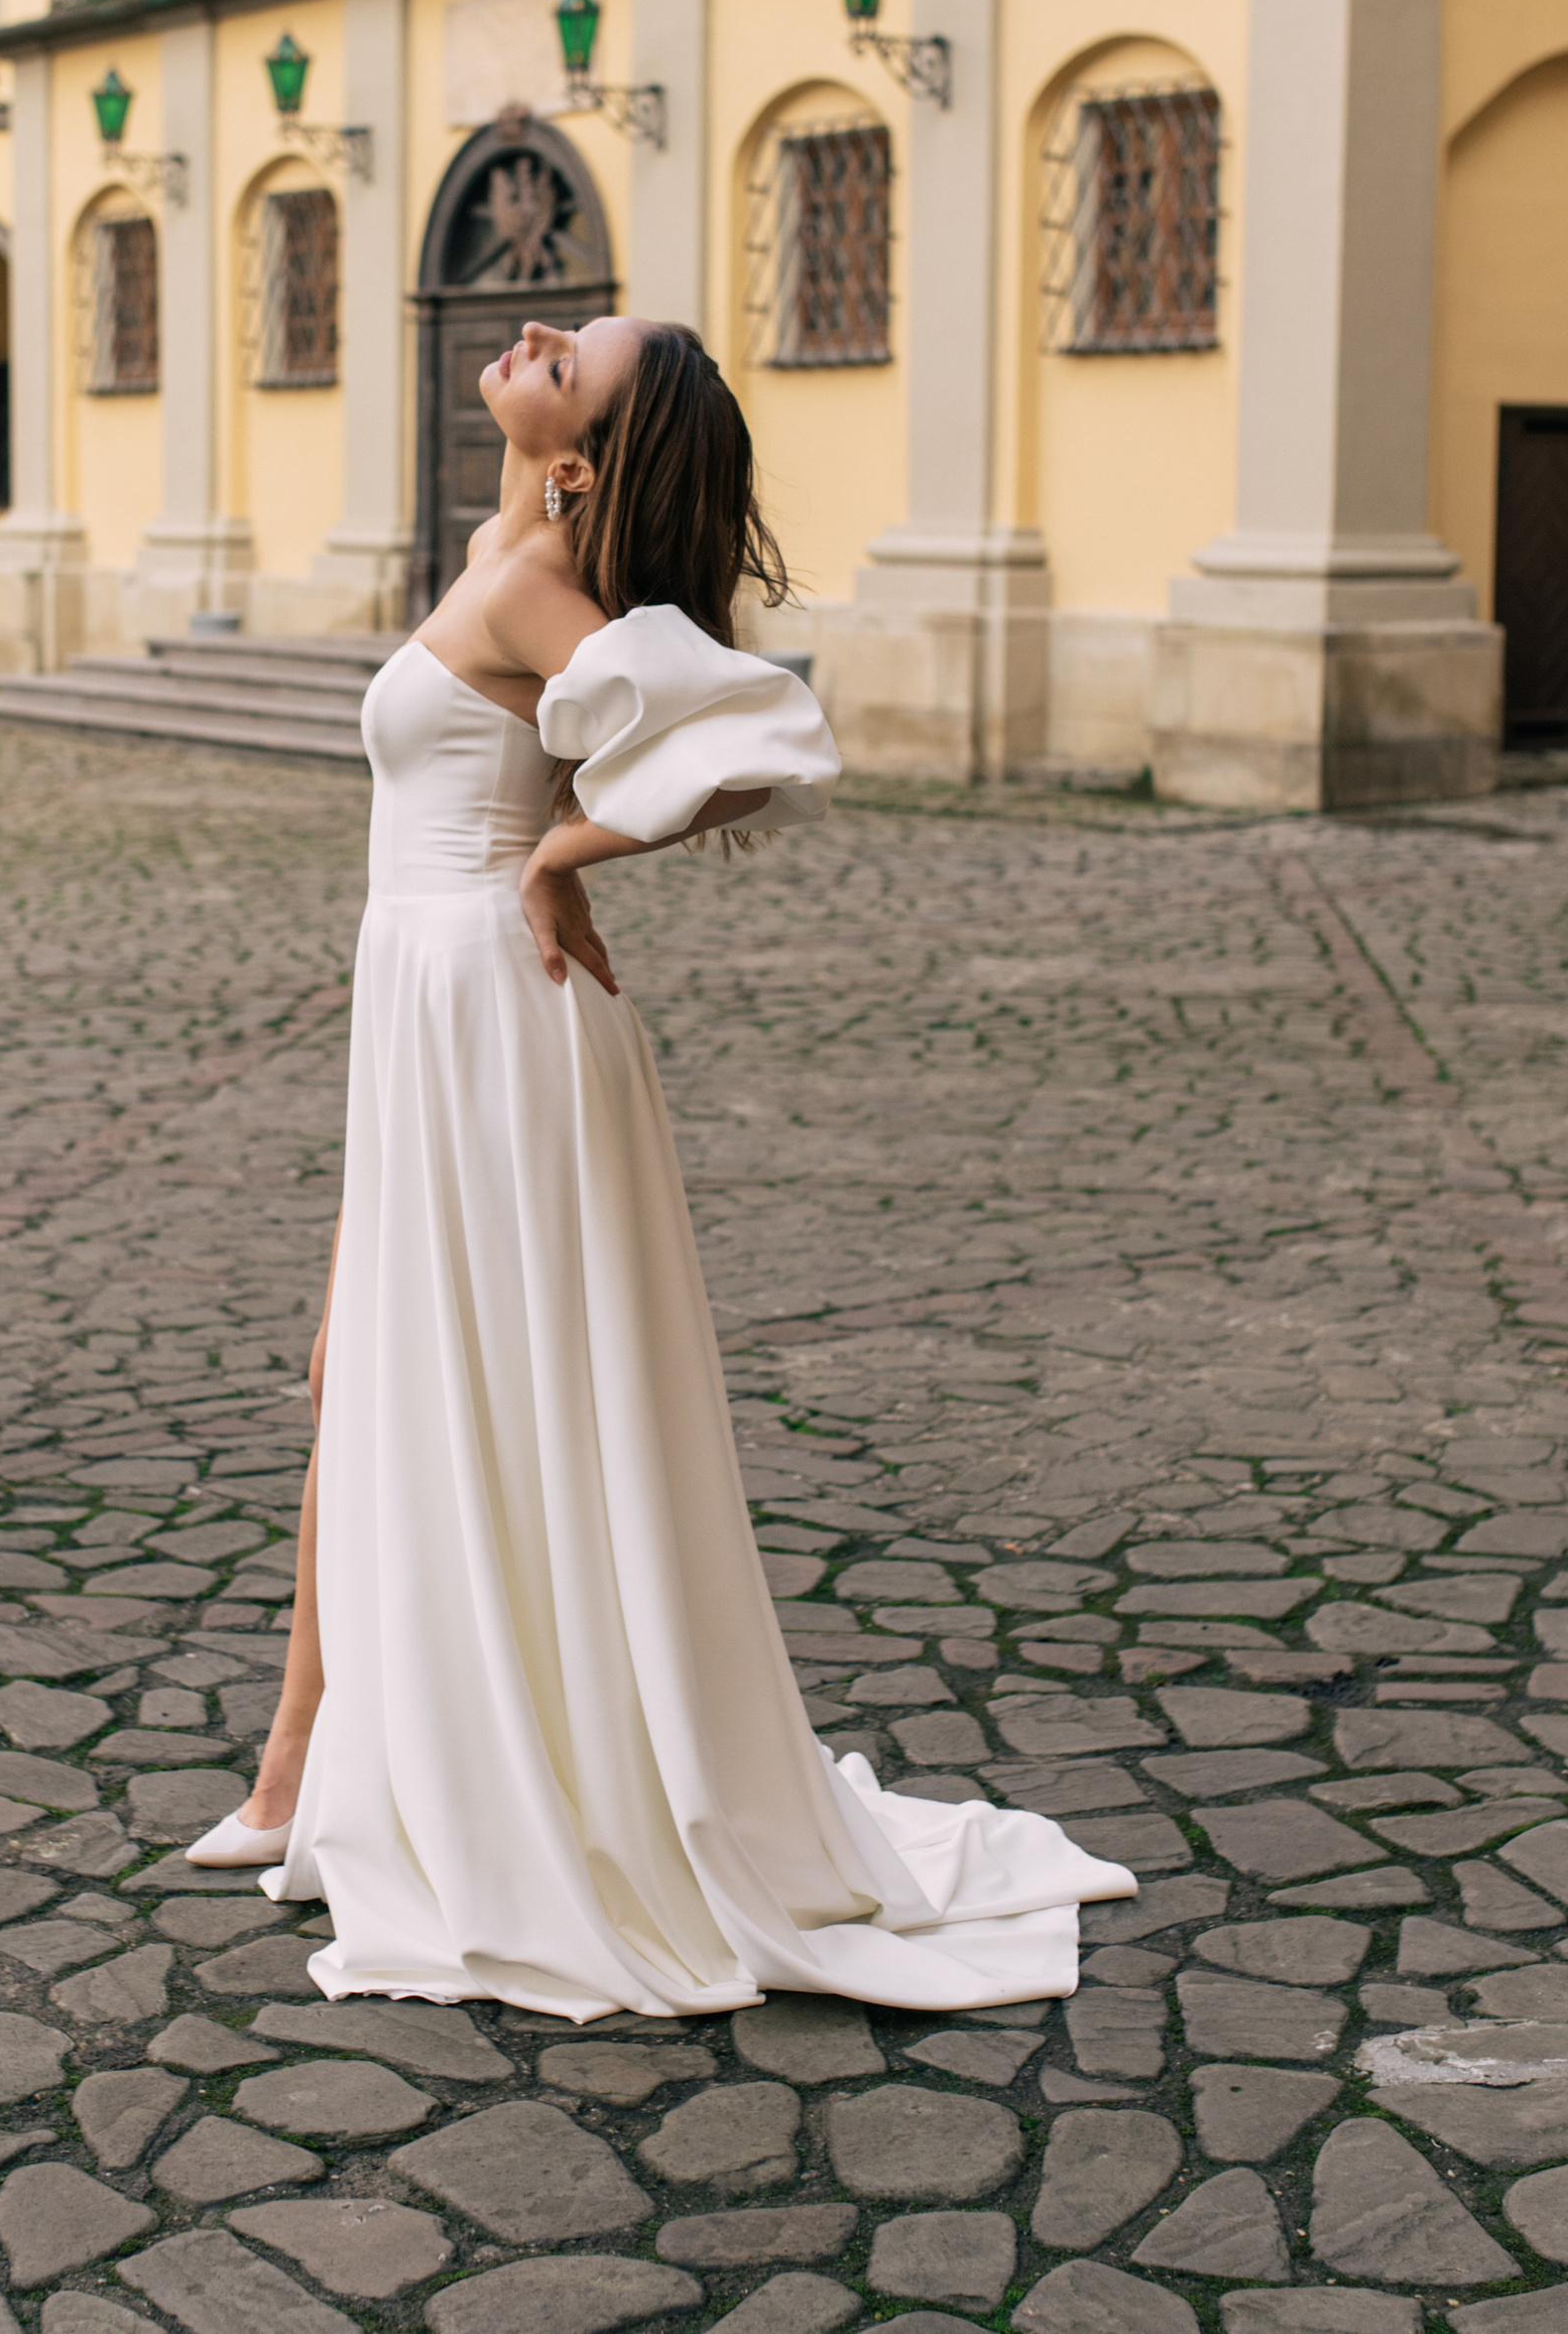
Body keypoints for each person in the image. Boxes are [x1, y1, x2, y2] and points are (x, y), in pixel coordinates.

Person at [182, 312, 1133, 2018]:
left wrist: (564, 843)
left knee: (447, 1382)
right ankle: (290, 1767)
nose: (537, 329)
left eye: (575, 355)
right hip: (425, 1011)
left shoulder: (536, 588)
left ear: (577, 453)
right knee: (362, 1369)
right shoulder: (504, 548)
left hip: (496, 1011)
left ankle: (357, 1777)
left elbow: (758, 735)